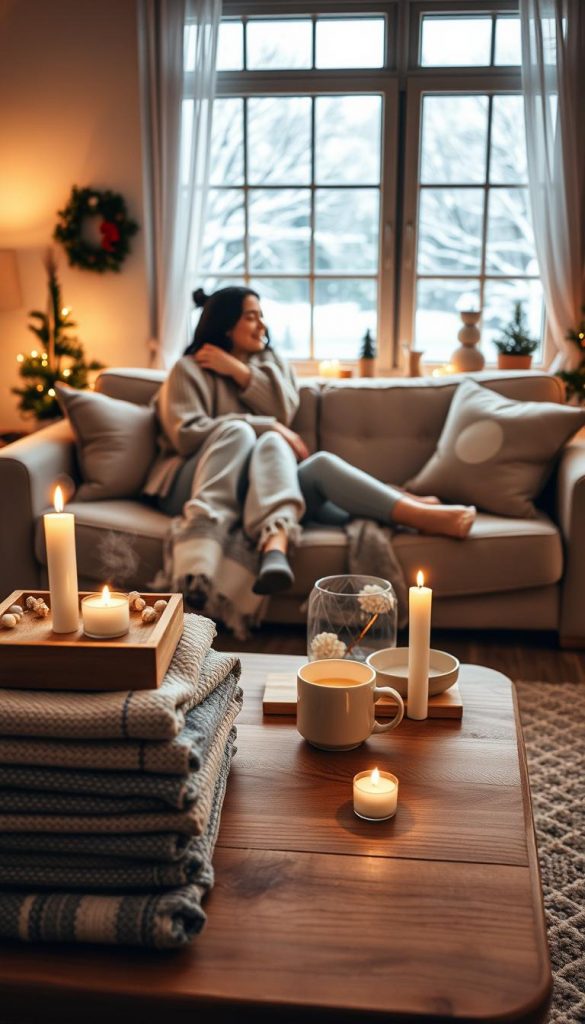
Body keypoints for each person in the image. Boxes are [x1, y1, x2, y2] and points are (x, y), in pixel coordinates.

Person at [144, 286, 476, 598]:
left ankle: (412, 513)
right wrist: (264, 425)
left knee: (317, 465)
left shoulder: (271, 365)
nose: (262, 324)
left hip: (255, 489)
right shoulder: (187, 370)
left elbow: (283, 411)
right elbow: (186, 436)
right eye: (251, 316)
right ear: (225, 324)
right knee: (242, 432)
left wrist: (240, 373)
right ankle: (397, 499)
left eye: (261, 315)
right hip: (195, 483)